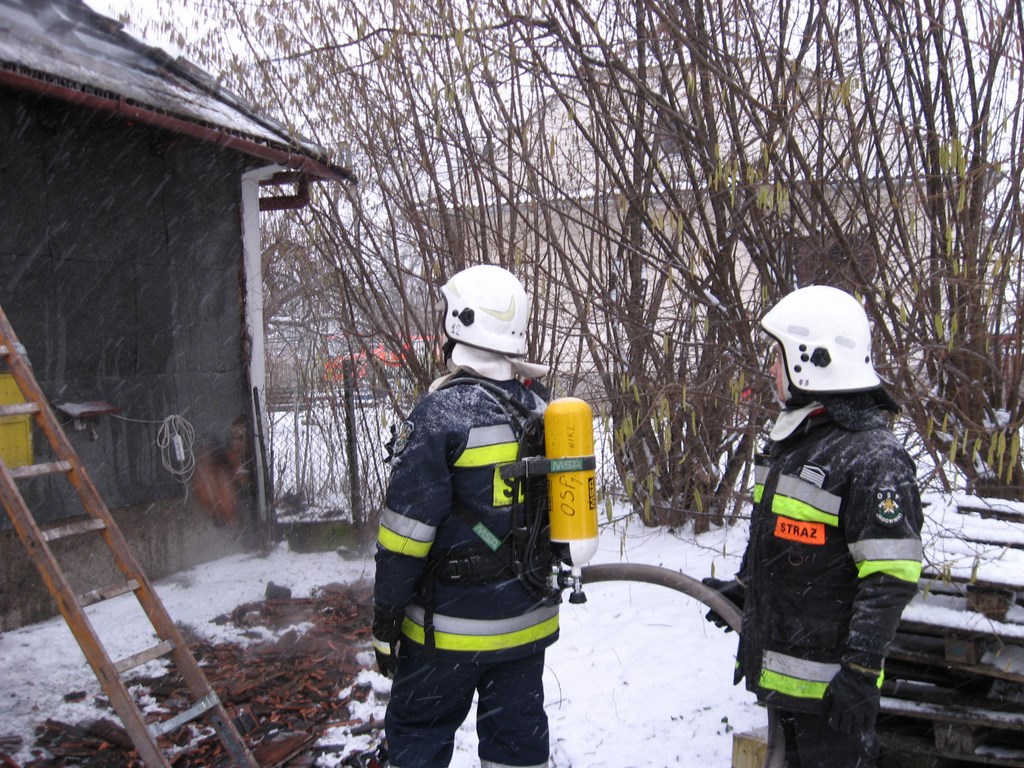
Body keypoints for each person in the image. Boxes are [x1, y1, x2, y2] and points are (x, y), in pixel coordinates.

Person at [704, 285, 924, 768]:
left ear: (814, 360)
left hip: (833, 696)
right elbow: (787, 543)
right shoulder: (798, 442)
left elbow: (890, 577)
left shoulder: (873, 459)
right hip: (788, 685)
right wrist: (747, 590)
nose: (770, 370)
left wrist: (861, 672)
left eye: (777, 357)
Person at [371, 264, 557, 768]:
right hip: (526, 627)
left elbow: (404, 539)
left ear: (461, 324)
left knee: (419, 736)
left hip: (448, 631)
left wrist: (386, 618)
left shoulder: (440, 416)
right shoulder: (542, 412)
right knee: (516, 749)